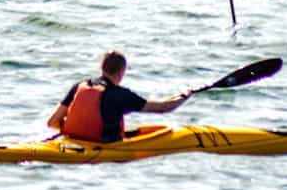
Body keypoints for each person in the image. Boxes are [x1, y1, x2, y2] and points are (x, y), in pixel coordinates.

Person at [47, 50, 193, 143]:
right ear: (121, 72)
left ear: (102, 68)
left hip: (71, 142)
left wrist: (77, 126)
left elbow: (52, 122)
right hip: (104, 149)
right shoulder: (120, 95)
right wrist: (185, 96)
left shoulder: (80, 86)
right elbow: (164, 108)